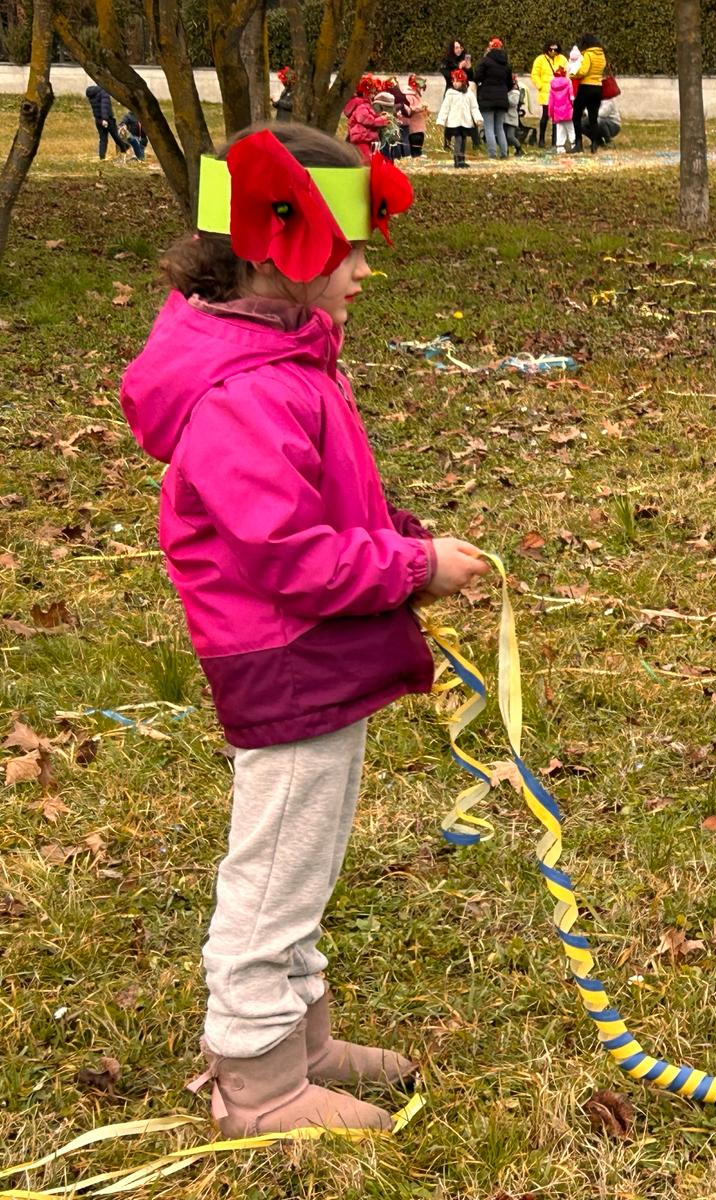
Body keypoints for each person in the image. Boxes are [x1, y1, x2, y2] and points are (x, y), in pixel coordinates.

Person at [120, 122, 489, 1137]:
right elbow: (285, 553)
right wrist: (414, 569)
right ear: (285, 259)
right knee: (277, 862)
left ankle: (302, 1034)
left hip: (318, 651)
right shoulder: (245, 389)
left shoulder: (282, 354)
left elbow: (319, 506)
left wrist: (399, 537)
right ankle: (257, 1078)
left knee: (309, 852)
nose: (365, 273)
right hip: (284, 659)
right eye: (351, 252)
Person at [475, 38, 514, 160]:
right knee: (499, 127)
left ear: (490, 48)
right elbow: (510, 84)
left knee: (489, 127)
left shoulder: (485, 61)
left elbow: (477, 77)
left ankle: (492, 154)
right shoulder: (506, 64)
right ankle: (504, 153)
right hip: (502, 99)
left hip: (487, 98)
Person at [437, 69, 482, 168]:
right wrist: (441, 120)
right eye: (454, 81)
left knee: (464, 140)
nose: (455, 83)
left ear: (463, 82)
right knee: (458, 140)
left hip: (465, 122)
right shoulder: (450, 94)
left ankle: (462, 159)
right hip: (454, 122)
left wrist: (477, 119)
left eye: (457, 81)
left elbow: (474, 108)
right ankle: (457, 159)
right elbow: (445, 107)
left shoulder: (469, 94)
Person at [571, 33, 607, 154]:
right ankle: (594, 145)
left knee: (576, 115)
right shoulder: (601, 54)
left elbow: (584, 71)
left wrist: (573, 74)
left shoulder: (588, 54)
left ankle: (578, 144)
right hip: (598, 87)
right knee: (593, 118)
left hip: (586, 87)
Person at [341, 75, 388, 158]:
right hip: (362, 136)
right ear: (365, 93)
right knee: (365, 159)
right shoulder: (362, 105)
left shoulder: (361, 104)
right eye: (371, 93)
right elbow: (365, 119)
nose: (373, 96)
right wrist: (381, 121)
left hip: (361, 135)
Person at [529, 41, 562, 148]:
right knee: (545, 115)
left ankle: (555, 140)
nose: (553, 52)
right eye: (550, 49)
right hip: (546, 92)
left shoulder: (562, 59)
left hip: (559, 92)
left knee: (556, 118)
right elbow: (535, 74)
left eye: (555, 50)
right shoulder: (540, 59)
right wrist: (540, 86)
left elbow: (567, 72)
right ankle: (541, 139)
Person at [86, 84, 126, 160]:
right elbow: (104, 106)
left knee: (103, 139)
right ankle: (124, 149)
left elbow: (96, 109)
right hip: (108, 120)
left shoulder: (91, 96)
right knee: (116, 137)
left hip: (98, 121)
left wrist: (100, 120)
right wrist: (105, 119)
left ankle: (102, 157)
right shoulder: (104, 92)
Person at [547, 62, 575, 153]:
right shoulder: (568, 83)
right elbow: (571, 97)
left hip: (557, 112)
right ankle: (573, 145)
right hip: (568, 110)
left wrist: (550, 113)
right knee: (571, 129)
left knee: (560, 129)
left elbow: (551, 102)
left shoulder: (552, 87)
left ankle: (560, 147)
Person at [402, 75, 429, 158]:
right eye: (419, 87)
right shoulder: (408, 95)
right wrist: (419, 108)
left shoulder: (414, 94)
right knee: (415, 138)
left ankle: (418, 152)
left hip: (418, 122)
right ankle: (415, 154)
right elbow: (408, 109)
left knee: (420, 137)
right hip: (413, 124)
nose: (420, 89)